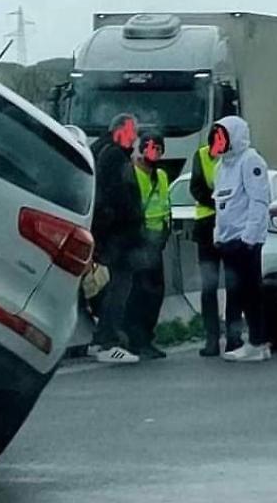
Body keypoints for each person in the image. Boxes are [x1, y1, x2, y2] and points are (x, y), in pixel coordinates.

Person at [212, 115, 272, 362]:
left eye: (222, 136)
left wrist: (249, 237)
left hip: (245, 241)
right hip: (228, 241)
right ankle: (241, 341)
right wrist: (218, 234)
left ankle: (258, 342)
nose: (217, 141)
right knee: (235, 294)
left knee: (251, 292)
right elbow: (221, 205)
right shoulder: (220, 167)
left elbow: (259, 201)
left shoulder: (251, 161)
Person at [88, 113, 145, 364]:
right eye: (132, 131)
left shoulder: (98, 150)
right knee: (118, 288)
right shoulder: (113, 156)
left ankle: (101, 338)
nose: (135, 137)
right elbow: (118, 198)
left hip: (106, 235)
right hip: (118, 237)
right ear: (121, 130)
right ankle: (107, 341)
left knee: (109, 287)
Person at [125, 132, 172, 360]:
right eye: (152, 148)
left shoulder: (161, 175)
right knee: (139, 294)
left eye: (159, 149)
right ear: (142, 149)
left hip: (157, 242)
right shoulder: (132, 174)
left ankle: (147, 338)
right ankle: (137, 340)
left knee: (156, 293)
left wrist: (165, 231)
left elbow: (165, 205)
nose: (156, 153)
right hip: (138, 243)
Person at [190, 128, 228, 356]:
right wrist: (219, 203)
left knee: (234, 283)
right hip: (207, 226)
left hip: (231, 226)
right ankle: (211, 338)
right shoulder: (201, 155)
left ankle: (233, 336)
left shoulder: (234, 157)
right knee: (209, 286)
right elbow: (195, 187)